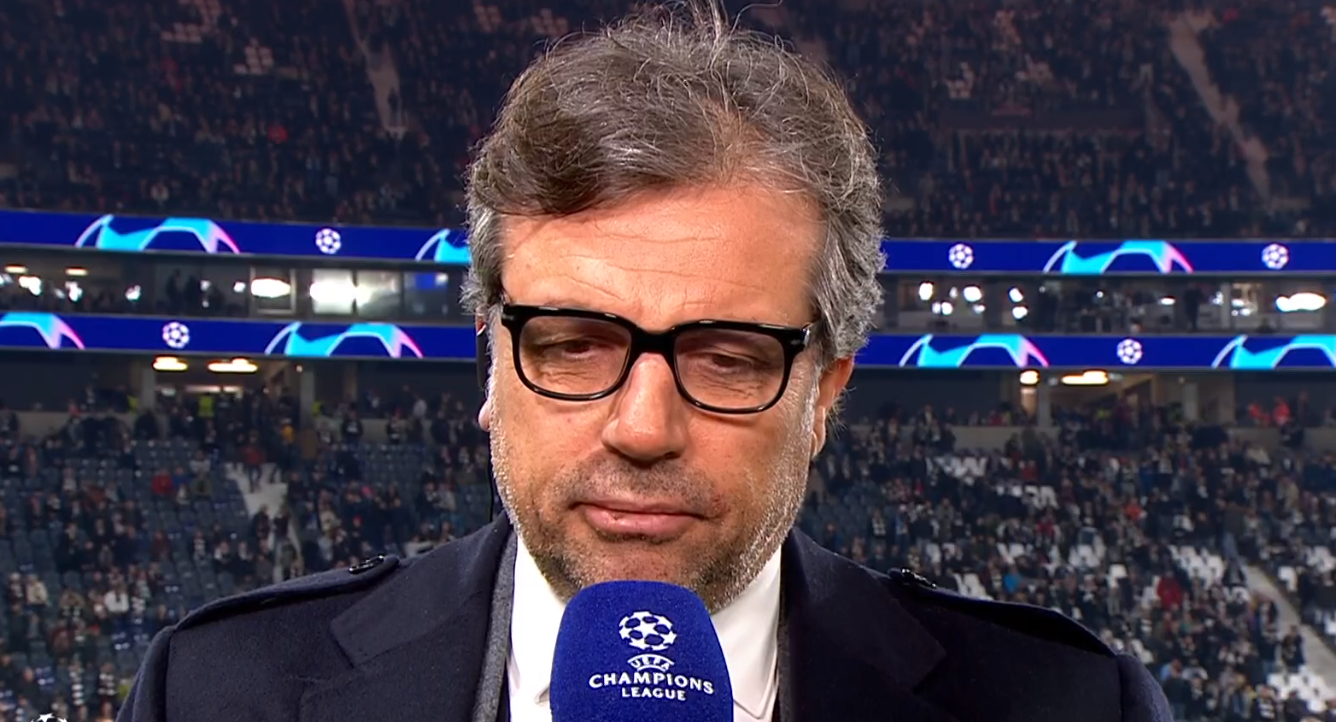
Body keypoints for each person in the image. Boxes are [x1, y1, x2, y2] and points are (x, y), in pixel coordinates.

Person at [117, 2, 1173, 721]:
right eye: (573, 344)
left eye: (728, 357)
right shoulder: (218, 691)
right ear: (492, 362)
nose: (642, 427)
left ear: (824, 392)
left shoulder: (1070, 702)